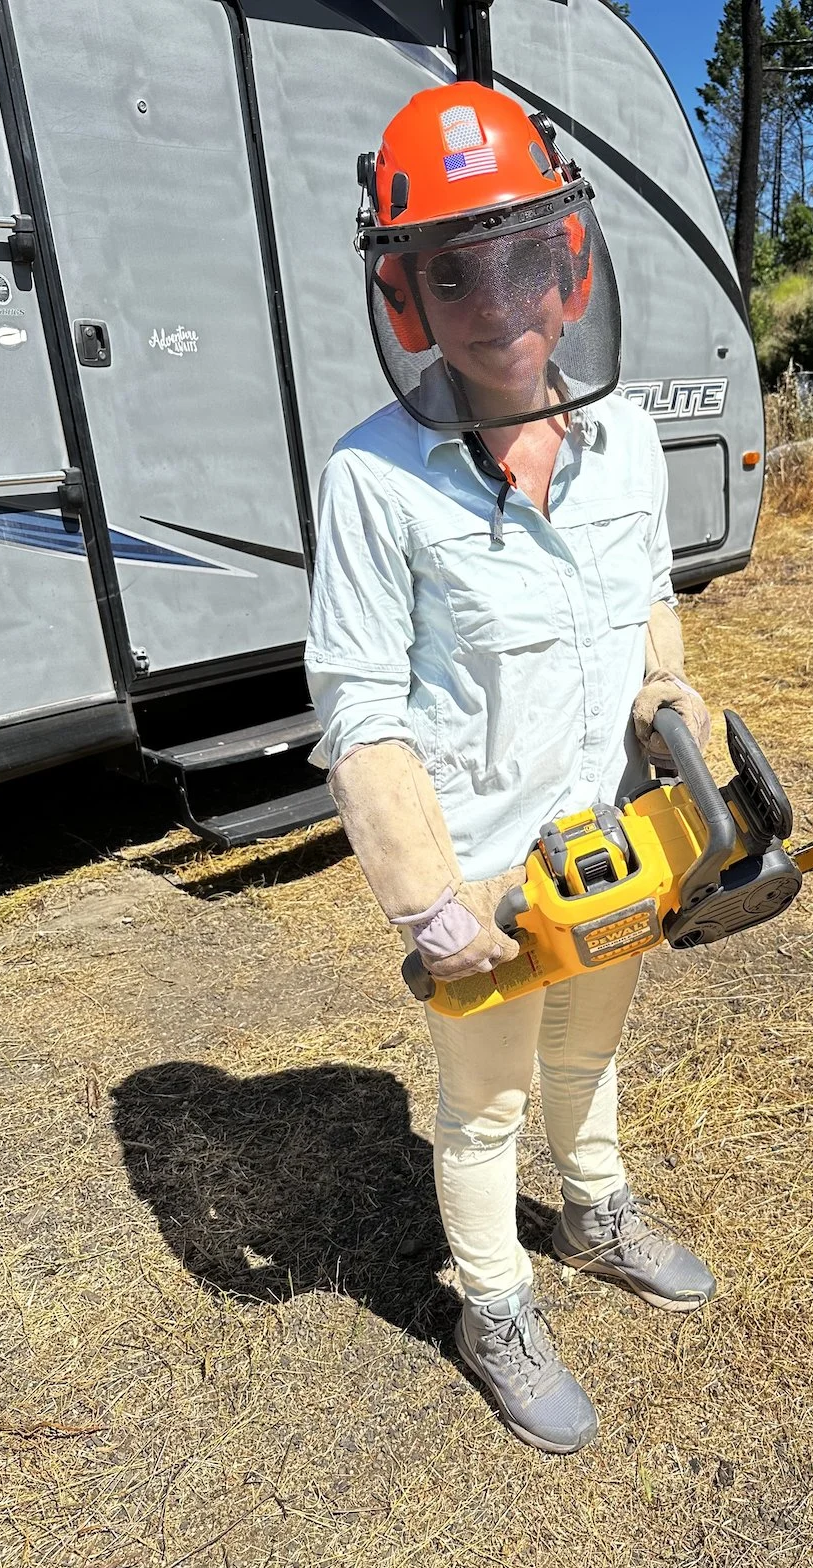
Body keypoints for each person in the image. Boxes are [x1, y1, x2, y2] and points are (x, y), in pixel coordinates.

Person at [305, 81, 716, 1454]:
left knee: (593, 1046)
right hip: (479, 863)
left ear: (574, 258)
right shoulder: (375, 480)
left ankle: (596, 1206)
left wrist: (684, 732)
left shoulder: (629, 443)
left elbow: (653, 612)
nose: (500, 301)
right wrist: (430, 902)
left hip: (615, 834)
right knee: (480, 1105)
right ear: (407, 299)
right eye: (454, 271)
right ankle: (493, 1301)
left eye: (526, 256)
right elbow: (360, 706)